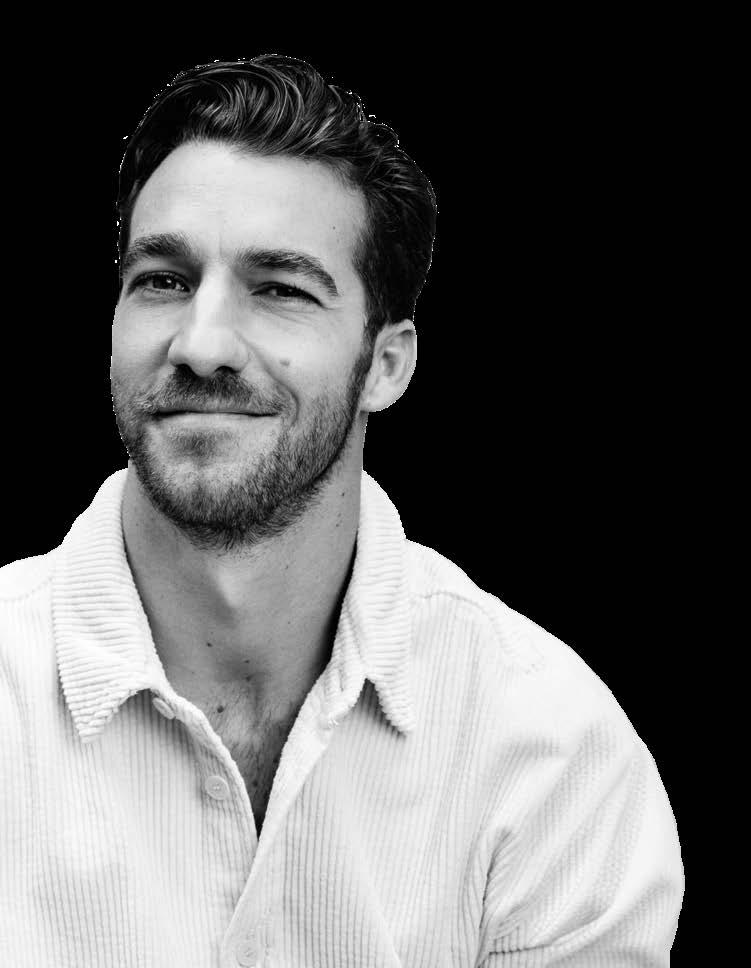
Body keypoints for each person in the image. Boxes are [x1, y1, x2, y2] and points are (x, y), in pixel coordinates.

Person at [0, 55, 683, 967]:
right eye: (163, 279)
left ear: (386, 365)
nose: (202, 344)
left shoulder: (548, 751)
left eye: (280, 289)